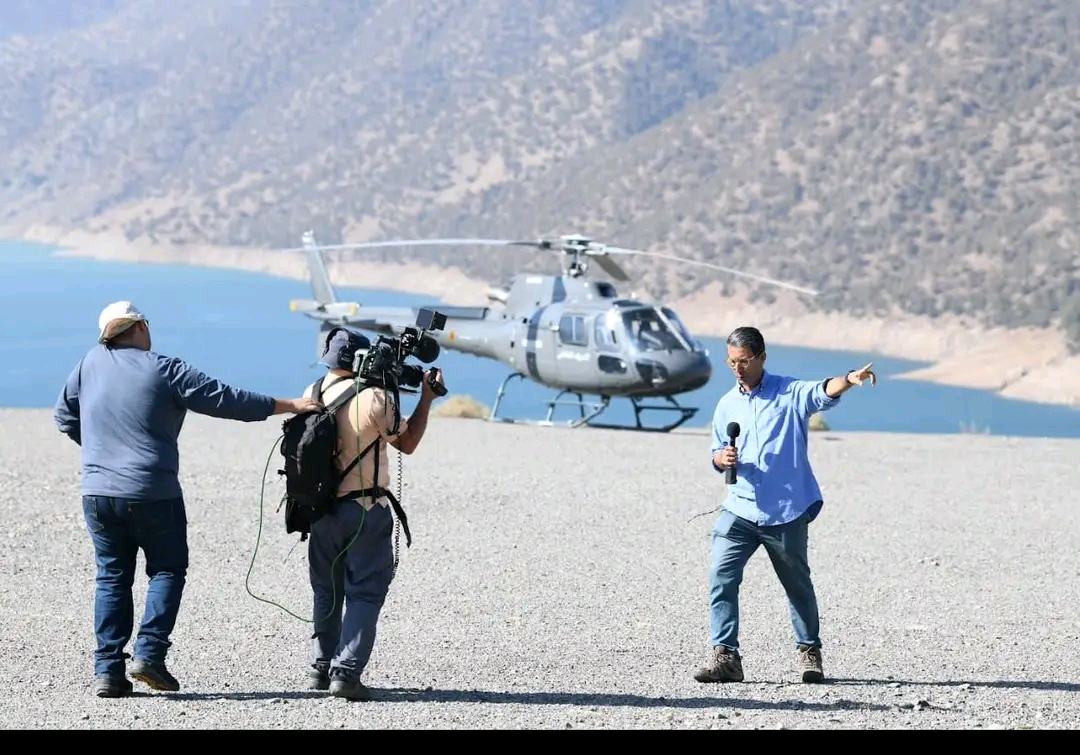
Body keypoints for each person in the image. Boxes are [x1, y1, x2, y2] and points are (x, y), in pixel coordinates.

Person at [53, 300, 323, 698]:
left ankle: (108, 672)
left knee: (112, 576)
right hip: (153, 491)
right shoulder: (164, 368)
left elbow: (64, 417)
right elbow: (225, 399)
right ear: (140, 327)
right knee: (167, 570)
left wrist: (101, 450)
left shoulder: (88, 363)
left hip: (97, 493)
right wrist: (290, 405)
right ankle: (149, 654)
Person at [694, 326, 876, 685]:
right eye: (732, 362)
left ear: (761, 357)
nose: (737, 369)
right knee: (721, 576)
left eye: (744, 361)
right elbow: (715, 451)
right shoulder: (727, 404)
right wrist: (721, 459)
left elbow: (822, 391)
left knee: (797, 585)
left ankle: (809, 652)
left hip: (785, 511)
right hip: (740, 508)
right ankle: (726, 657)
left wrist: (849, 379)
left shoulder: (789, 393)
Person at [300, 327, 443, 701]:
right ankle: (346, 674)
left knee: (327, 591)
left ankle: (320, 667)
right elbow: (407, 443)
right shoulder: (376, 398)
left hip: (320, 511)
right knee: (364, 592)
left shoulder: (313, 391)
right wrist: (426, 398)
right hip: (365, 508)